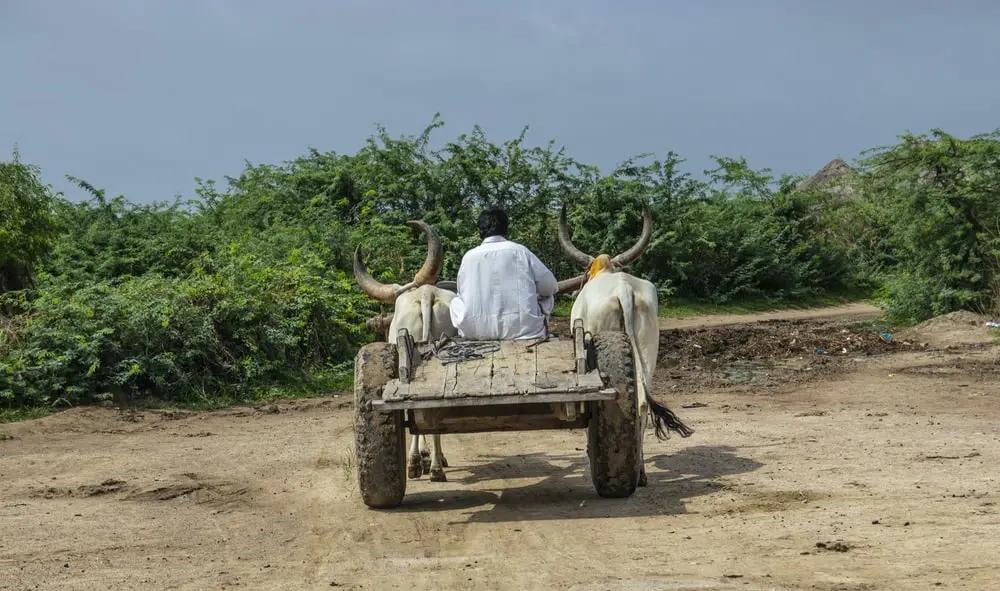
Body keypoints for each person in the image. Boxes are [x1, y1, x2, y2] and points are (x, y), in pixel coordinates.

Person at [449, 207, 558, 340]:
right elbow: (550, 287)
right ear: (506, 229)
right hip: (525, 331)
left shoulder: (468, 257)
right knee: (547, 297)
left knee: (454, 301)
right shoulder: (520, 251)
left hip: (474, 332)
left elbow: (461, 292)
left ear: (480, 231)